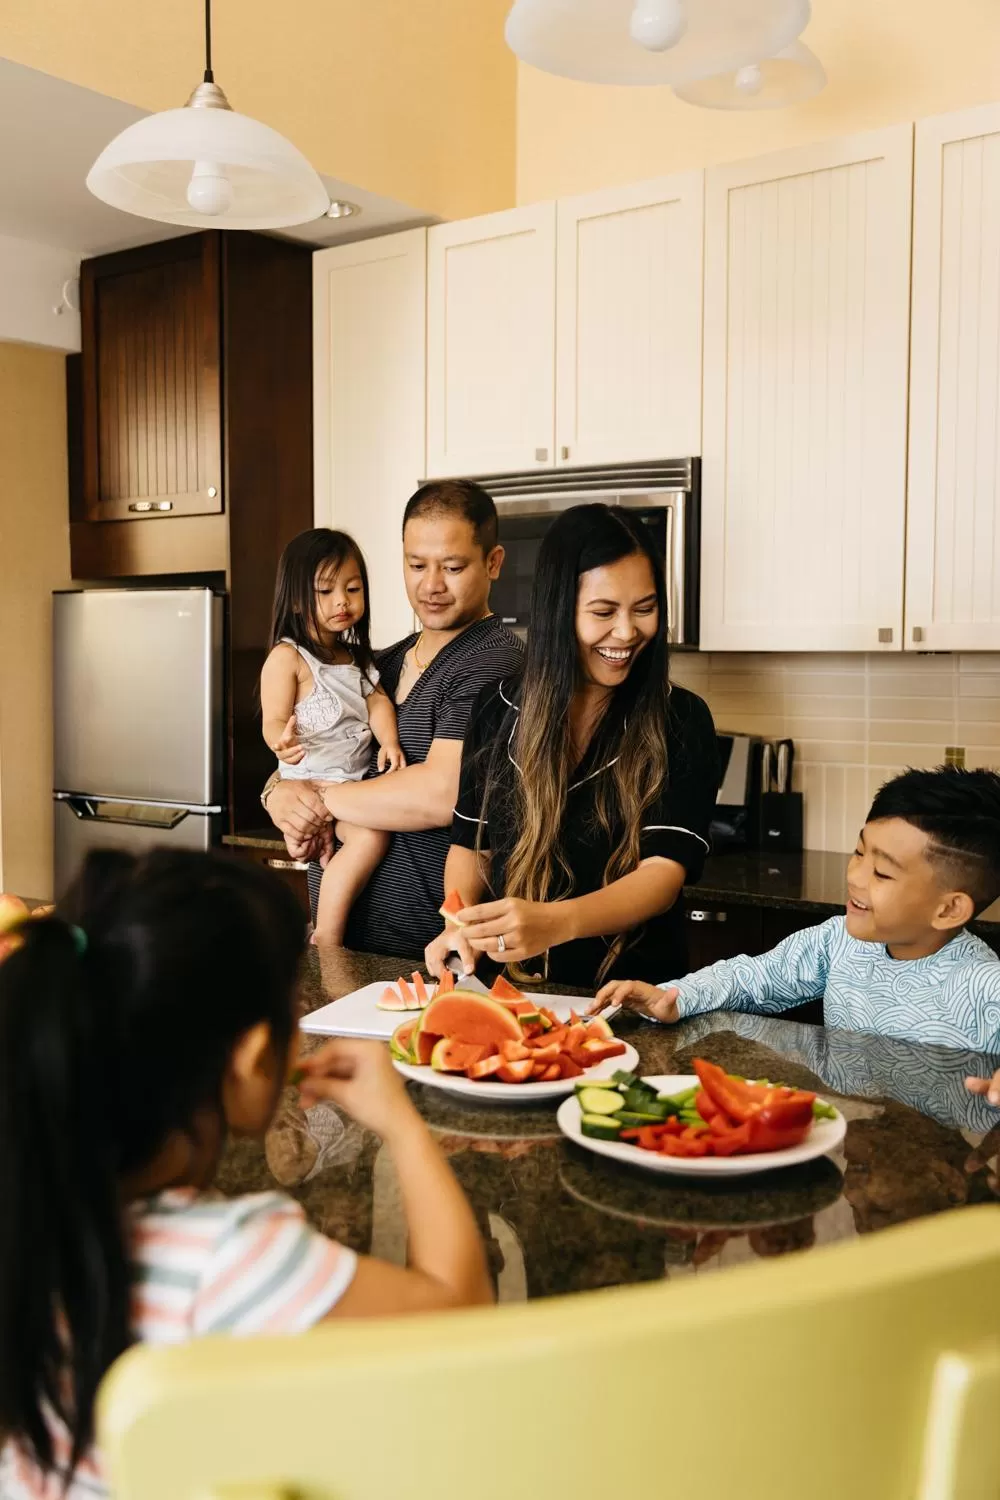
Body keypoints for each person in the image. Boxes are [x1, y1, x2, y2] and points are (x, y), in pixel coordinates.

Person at [0, 850, 490, 1500]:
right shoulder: (226, 1260)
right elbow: (461, 1321)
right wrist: (401, 1123)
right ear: (254, 1056)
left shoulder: (23, 1206)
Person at [424, 502, 720, 989]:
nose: (626, 632)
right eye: (603, 612)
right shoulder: (496, 708)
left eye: (644, 609)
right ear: (559, 610)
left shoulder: (681, 718)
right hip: (508, 991)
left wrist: (555, 923)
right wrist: (458, 924)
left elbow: (662, 876)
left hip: (632, 997)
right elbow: (470, 846)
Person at [261, 481, 523, 958]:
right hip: (345, 948)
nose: (431, 585)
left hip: (427, 953)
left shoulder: (495, 660)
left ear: (493, 562)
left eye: (453, 567)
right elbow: (322, 750)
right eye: (416, 565)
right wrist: (278, 794)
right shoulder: (379, 663)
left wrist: (320, 798)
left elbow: (440, 793)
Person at [594, 765, 1000, 1054]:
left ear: (949, 910)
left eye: (882, 873)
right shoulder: (836, 940)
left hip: (939, 1166)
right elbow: (754, 977)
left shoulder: (987, 987)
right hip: (851, 1150)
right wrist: (674, 997)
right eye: (858, 852)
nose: (856, 876)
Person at [261, 529, 406, 943]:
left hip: (352, 786)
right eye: (325, 591)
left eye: (353, 588)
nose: (342, 600)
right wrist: (280, 741)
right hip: (311, 780)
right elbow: (273, 719)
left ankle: (323, 924)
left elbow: (378, 703)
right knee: (367, 837)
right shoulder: (287, 657)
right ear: (294, 599)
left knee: (362, 837)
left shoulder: (358, 658)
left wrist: (391, 741)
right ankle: (327, 932)